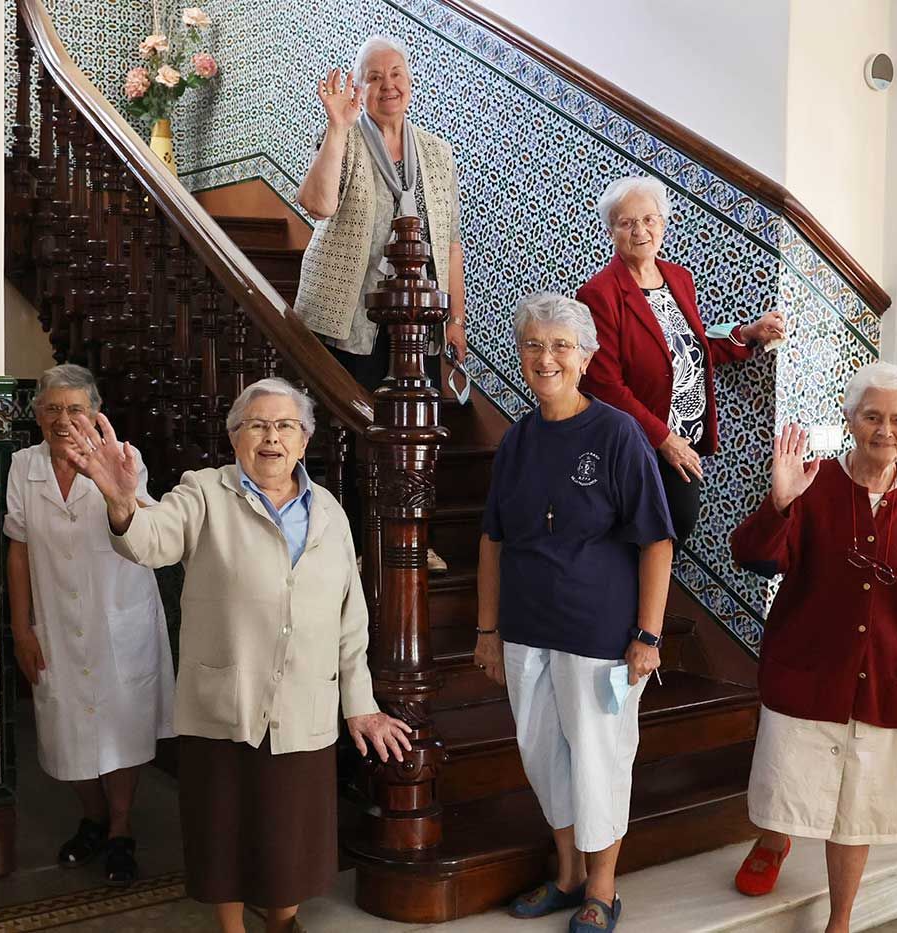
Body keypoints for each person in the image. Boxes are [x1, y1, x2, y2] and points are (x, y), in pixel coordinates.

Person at [61, 377, 411, 933]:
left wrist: (360, 703)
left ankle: (282, 921)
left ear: (304, 440)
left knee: (288, 832)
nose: (271, 438)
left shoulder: (331, 513)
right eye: (257, 425)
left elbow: (351, 619)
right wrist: (122, 502)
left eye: (285, 426)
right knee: (221, 831)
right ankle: (232, 929)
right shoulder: (203, 492)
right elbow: (153, 541)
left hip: (303, 704)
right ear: (235, 437)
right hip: (223, 702)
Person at [727, 361, 897, 933]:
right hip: (805, 671)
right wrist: (778, 504)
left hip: (883, 682)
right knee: (788, 783)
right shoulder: (812, 481)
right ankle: (775, 838)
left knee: (857, 813)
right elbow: (753, 558)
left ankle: (841, 921)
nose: (885, 430)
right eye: (872, 416)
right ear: (850, 419)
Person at [474, 293, 675, 933]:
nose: (546, 357)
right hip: (527, 631)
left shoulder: (618, 434)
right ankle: (564, 875)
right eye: (534, 344)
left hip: (598, 636)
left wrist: (649, 634)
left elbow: (656, 541)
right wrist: (486, 630)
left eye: (562, 346)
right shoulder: (518, 441)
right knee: (542, 758)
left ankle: (603, 888)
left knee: (598, 759)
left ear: (586, 359)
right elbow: (492, 540)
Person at [293, 34, 465, 572]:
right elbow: (317, 205)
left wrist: (456, 319)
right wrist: (336, 127)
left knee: (417, 431)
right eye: (374, 76)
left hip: (419, 321)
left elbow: (452, 242)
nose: (387, 86)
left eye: (396, 75)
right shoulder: (345, 137)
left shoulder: (436, 152)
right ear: (360, 86)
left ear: (409, 83)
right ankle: (362, 548)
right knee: (360, 430)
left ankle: (413, 539)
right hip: (350, 316)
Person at [4, 363, 174, 886]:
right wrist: (22, 628)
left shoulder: (124, 460)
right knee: (66, 728)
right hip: (54, 622)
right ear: (36, 415)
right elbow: (18, 549)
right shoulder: (23, 467)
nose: (63, 419)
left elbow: (141, 522)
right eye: (51, 409)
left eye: (75, 409)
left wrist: (113, 483)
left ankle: (120, 829)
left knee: (123, 726)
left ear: (95, 414)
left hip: (119, 618)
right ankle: (93, 818)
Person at [577, 175, 787, 545]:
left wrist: (748, 334)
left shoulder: (679, 278)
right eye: (627, 222)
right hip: (638, 445)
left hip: (683, 442)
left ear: (663, 224)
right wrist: (664, 440)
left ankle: (646, 605)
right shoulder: (599, 293)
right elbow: (604, 385)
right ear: (612, 230)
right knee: (644, 540)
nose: (640, 230)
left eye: (649, 219)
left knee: (672, 534)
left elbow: (687, 349)